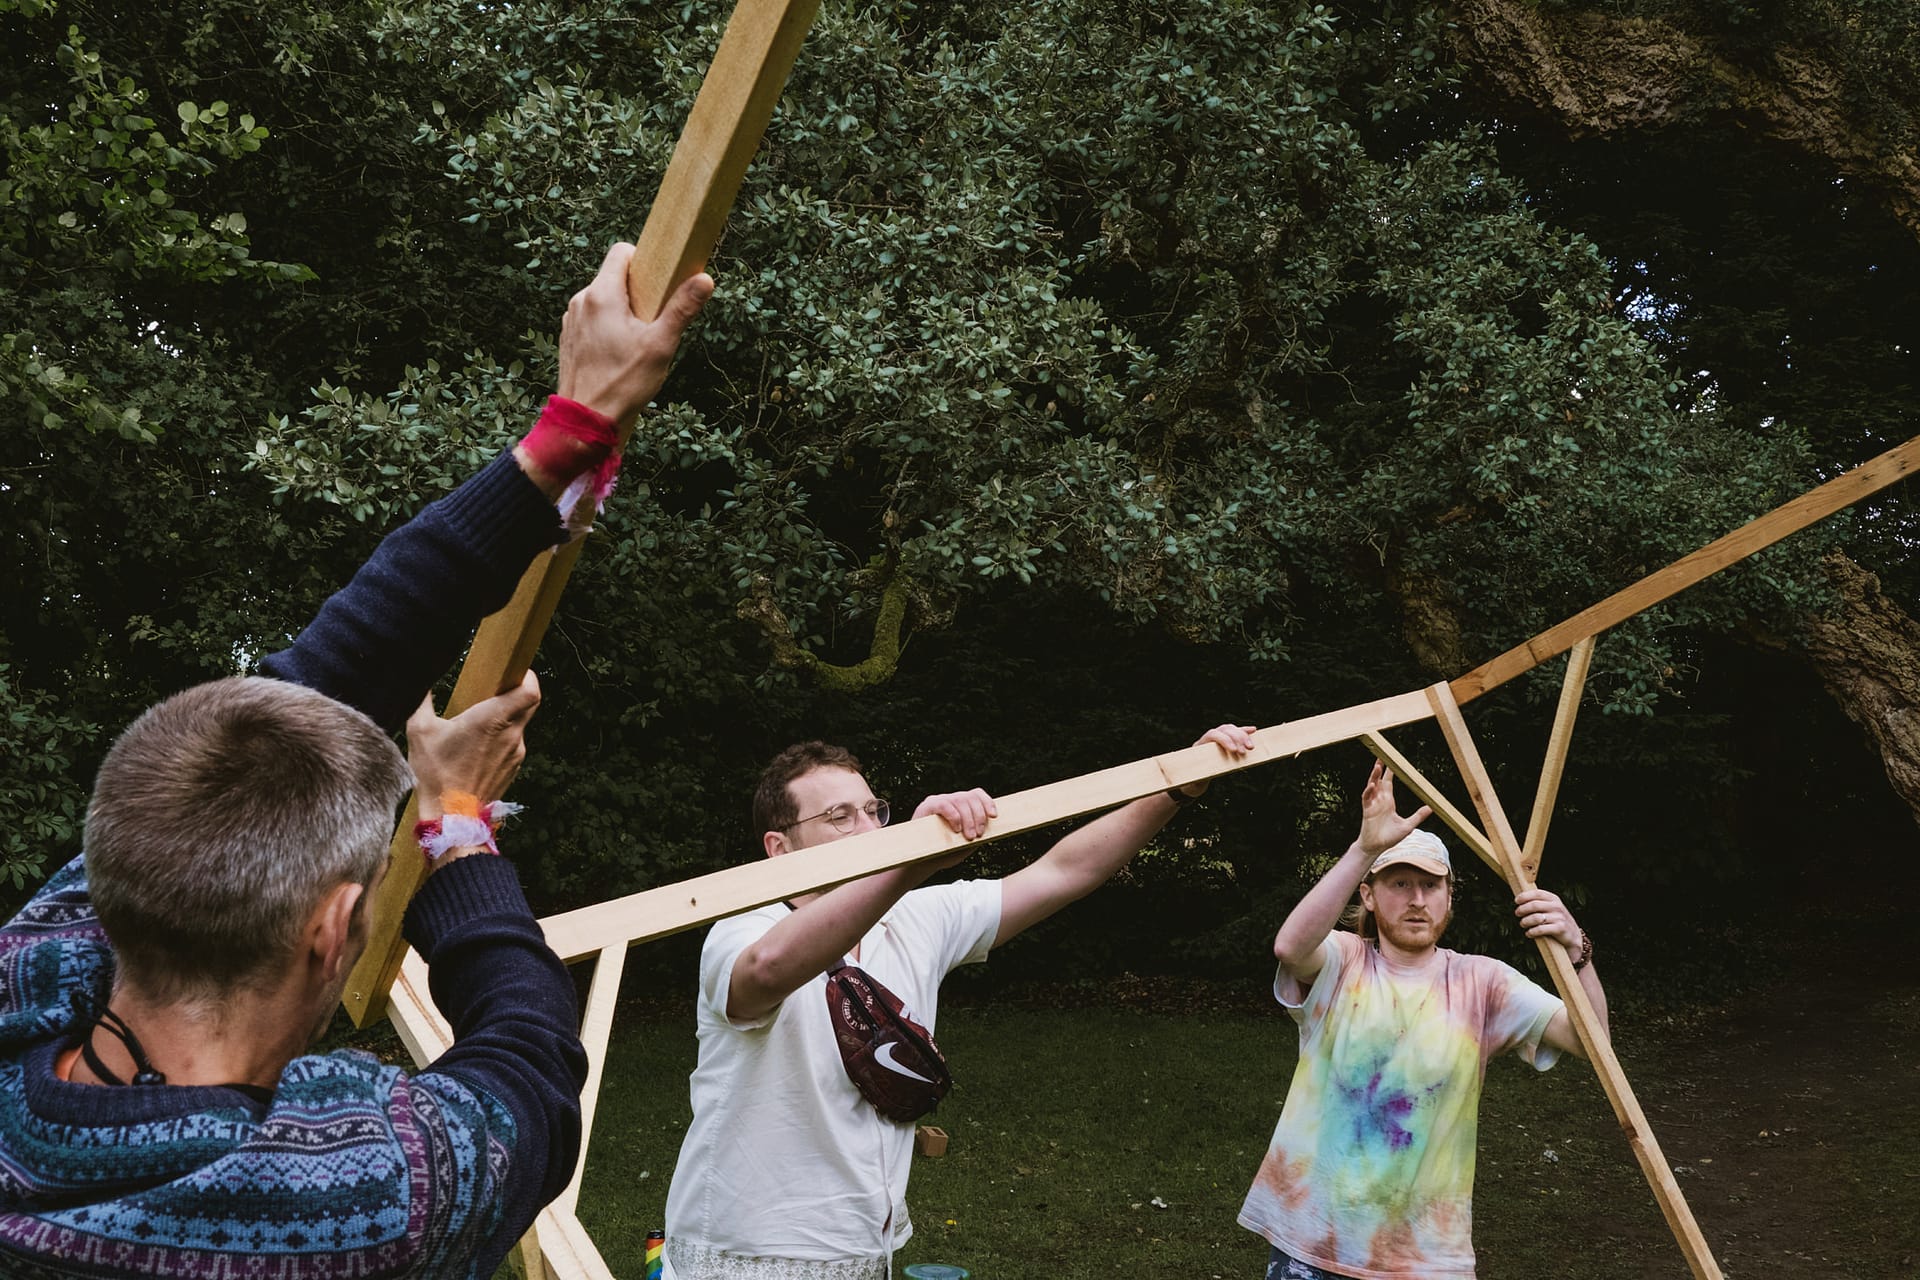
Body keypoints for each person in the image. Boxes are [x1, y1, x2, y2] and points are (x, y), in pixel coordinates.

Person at [0, 245, 712, 1279]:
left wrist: (566, 440)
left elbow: (309, 692)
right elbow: (531, 1068)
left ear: (113, 873)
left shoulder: (29, 988)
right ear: (332, 929)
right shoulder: (359, 1195)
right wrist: (458, 816)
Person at [663, 725, 1257, 1280]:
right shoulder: (743, 931)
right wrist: (910, 865)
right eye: (839, 817)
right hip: (744, 1250)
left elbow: (1065, 871)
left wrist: (1175, 786)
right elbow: (767, 971)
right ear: (780, 847)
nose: (870, 829)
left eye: (874, 811)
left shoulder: (916, 918)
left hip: (865, 1249)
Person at [1237, 761, 1606, 1280]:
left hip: (1427, 1254)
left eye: (1430, 886)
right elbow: (1290, 946)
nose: (1416, 899)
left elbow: (1592, 1045)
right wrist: (1365, 848)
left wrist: (1577, 950)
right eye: (1399, 883)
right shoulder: (1343, 963)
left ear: (1449, 897)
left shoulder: (1483, 982)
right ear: (1368, 894)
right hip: (1314, 1236)